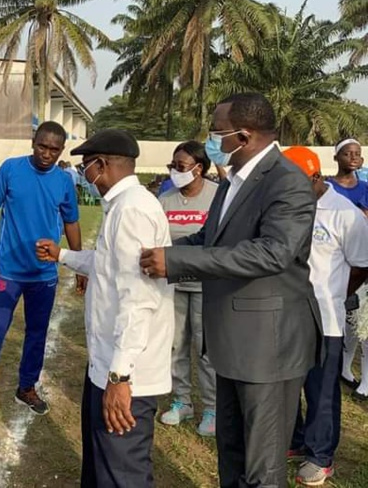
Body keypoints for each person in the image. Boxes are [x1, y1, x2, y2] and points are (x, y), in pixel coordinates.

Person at [141, 92, 323, 488]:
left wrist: (175, 263)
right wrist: (159, 253)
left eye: (216, 133)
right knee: (232, 452)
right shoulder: (233, 182)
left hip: (267, 347)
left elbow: (272, 254)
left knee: (263, 466)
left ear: (244, 135)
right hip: (232, 343)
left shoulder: (286, 181)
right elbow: (210, 239)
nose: (212, 141)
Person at [36, 129, 174, 487]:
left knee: (121, 471)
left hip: (126, 371)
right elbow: (107, 263)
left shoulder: (133, 211)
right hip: (106, 362)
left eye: (86, 169)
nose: (84, 176)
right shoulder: (121, 206)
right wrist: (63, 255)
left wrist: (120, 377)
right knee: (100, 465)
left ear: (102, 165)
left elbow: (137, 298)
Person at [0, 121, 82, 415]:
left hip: (44, 275)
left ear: (61, 151)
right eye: (42, 146)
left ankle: (27, 387)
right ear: (33, 142)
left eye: (54, 150)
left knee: (37, 333)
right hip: (8, 270)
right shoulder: (11, 168)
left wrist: (79, 263)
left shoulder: (64, 181)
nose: (47, 154)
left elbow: (71, 222)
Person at [281, 146, 368, 486]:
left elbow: (362, 266)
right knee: (289, 383)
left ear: (314, 178)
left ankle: (320, 455)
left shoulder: (343, 213)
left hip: (326, 318)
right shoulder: (287, 208)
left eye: (292, 180)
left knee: (321, 389)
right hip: (288, 313)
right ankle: (296, 439)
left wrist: (338, 295)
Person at [158, 141, 218, 436]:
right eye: (173, 166)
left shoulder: (217, 197)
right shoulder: (165, 199)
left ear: (199, 169)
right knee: (175, 345)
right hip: (174, 285)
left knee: (205, 350)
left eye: (180, 167)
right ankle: (182, 402)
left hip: (207, 285)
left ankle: (212, 407)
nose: (175, 171)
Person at [329, 138, 368, 400]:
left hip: (361, 262)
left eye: (358, 154)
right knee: (345, 319)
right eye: (347, 153)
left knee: (361, 321)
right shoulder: (327, 187)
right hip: (334, 260)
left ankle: (363, 380)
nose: (353, 157)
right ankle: (342, 368)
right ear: (337, 157)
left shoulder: (365, 188)